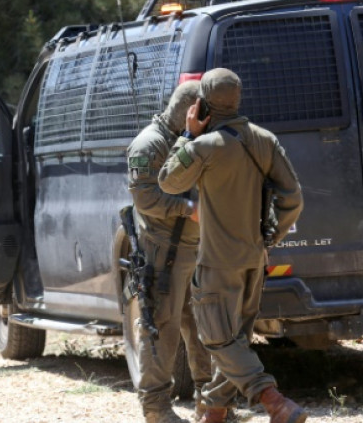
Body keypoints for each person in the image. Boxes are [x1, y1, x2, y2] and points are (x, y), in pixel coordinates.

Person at [159, 68, 305, 423]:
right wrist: (272, 237)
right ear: (239, 98)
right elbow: (294, 198)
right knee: (235, 339)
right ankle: (215, 413)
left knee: (218, 341)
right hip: (255, 259)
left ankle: (275, 402)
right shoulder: (264, 140)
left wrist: (187, 136)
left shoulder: (204, 146)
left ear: (203, 104)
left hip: (216, 263)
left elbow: (167, 181)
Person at [127, 81, 214, 423]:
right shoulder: (149, 144)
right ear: (192, 112)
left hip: (196, 247)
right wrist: (188, 208)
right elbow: (145, 198)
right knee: (161, 327)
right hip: (163, 251)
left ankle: (211, 404)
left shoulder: (197, 141)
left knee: (205, 327)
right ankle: (156, 408)